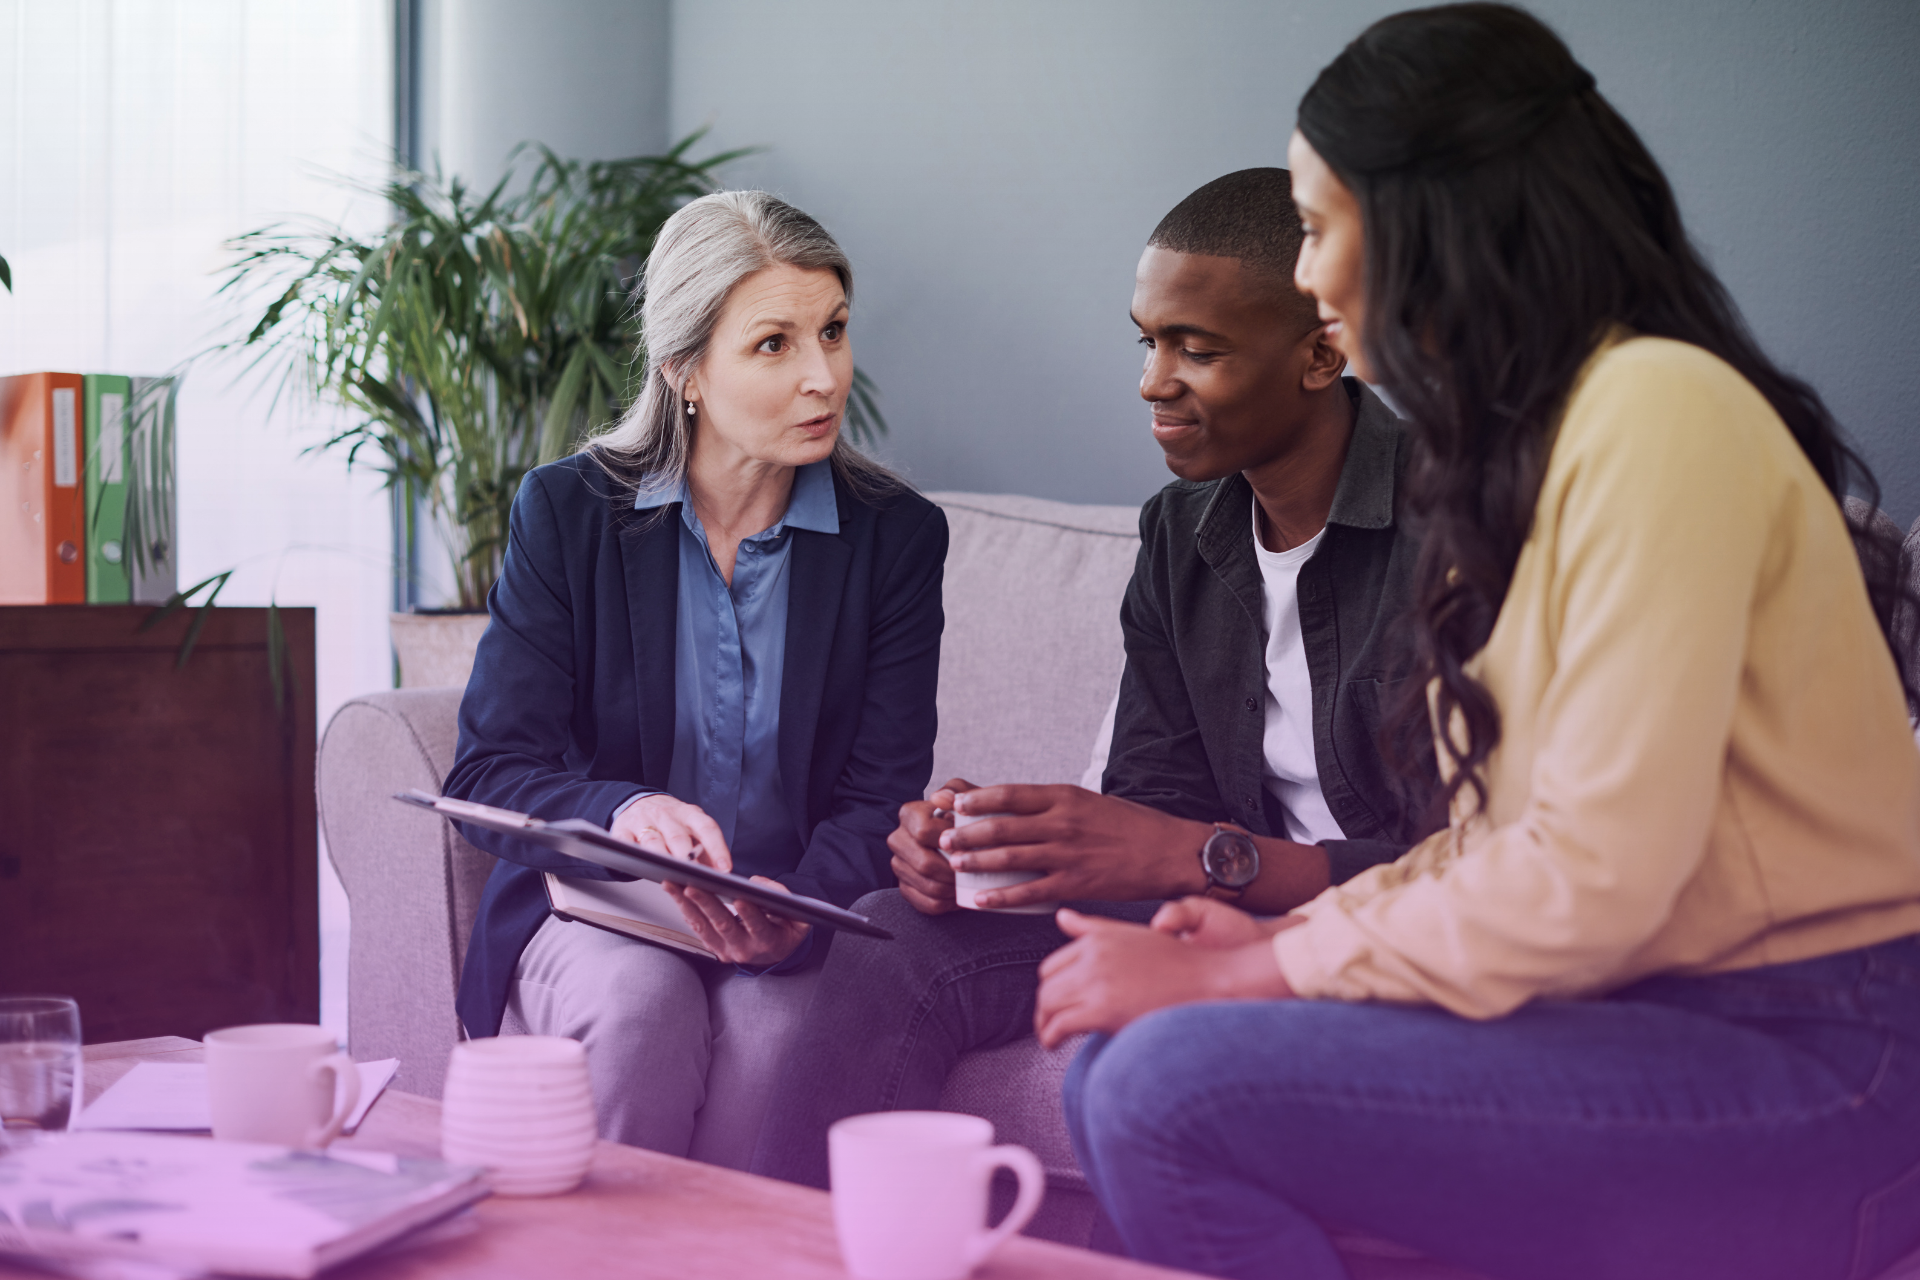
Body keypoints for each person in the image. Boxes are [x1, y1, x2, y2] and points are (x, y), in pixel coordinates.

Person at [1040, 7, 1920, 1279]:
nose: (1316, 277)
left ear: (1431, 222)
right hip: (1645, 1015)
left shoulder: (1657, 410)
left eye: (1323, 226)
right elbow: (1501, 846)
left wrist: (1263, 978)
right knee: (1118, 1060)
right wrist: (1276, 948)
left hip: (1819, 1052)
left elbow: (1599, 872)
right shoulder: (1526, 452)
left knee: (1162, 1082)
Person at [753, 168, 1436, 1188]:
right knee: (904, 927)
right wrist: (996, 854)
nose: (1153, 381)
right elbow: (1154, 800)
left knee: (1155, 1053)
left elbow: (1475, 861)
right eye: (1148, 341)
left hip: (1381, 928)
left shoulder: (1457, 525)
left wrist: (1203, 858)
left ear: (1320, 352)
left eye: (1194, 348)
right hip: (1214, 897)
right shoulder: (1182, 532)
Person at [444, 190, 947, 1170]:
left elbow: (878, 797)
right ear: (684, 370)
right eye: (774, 344)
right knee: (641, 1006)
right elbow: (486, 774)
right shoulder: (568, 512)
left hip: (792, 906)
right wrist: (622, 808)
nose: (823, 376)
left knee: (779, 1043)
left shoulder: (896, 536)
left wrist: (789, 912)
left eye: (834, 332)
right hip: (599, 903)